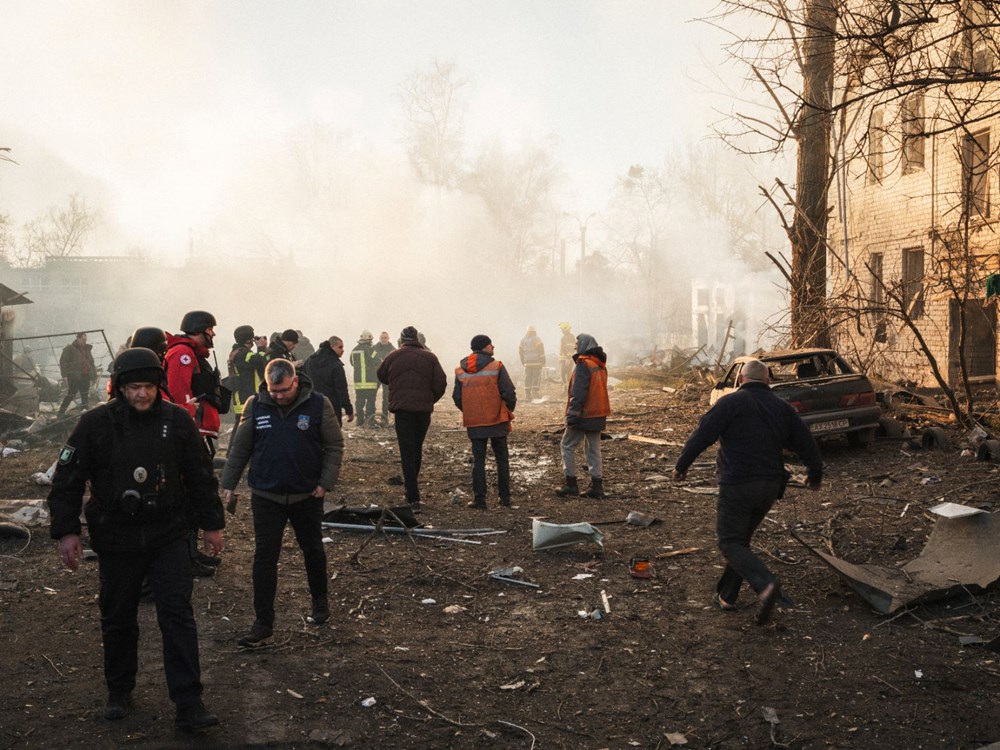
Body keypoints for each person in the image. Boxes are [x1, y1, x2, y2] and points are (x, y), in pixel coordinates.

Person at [48, 347, 224, 731]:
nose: (141, 394)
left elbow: (200, 476)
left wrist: (212, 524)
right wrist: (67, 531)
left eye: (147, 386)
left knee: (177, 616)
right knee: (118, 617)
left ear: (158, 385)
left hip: (168, 533)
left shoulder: (177, 421)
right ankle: (119, 690)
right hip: (116, 537)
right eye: (133, 388)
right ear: (120, 388)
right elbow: (67, 480)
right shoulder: (95, 424)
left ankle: (189, 703)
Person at [672, 358, 823, 624]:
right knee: (740, 541)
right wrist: (815, 473)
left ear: (740, 379)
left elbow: (703, 434)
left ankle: (766, 585)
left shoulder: (729, 403)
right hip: (770, 486)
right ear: (767, 380)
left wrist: (681, 466)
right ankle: (727, 596)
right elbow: (805, 441)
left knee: (730, 542)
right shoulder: (782, 407)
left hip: (738, 483)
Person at [221, 359, 344, 648]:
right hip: (266, 495)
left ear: (295, 381)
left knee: (312, 550)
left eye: (284, 390)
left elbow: (334, 445)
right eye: (273, 391)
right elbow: (241, 447)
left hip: (307, 495)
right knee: (264, 557)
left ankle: (320, 603)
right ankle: (263, 623)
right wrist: (228, 484)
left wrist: (325, 482)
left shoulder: (319, 404)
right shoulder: (255, 405)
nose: (278, 396)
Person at [376, 326, 447, 509]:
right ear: (417, 339)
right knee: (416, 447)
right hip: (423, 411)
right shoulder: (430, 357)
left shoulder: (393, 356)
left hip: (403, 411)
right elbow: (441, 382)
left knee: (407, 451)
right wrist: (429, 399)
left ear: (401, 339)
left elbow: (381, 375)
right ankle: (411, 489)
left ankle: (412, 496)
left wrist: (397, 385)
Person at [452, 335, 516, 509]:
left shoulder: (460, 370)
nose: (493, 346)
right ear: (484, 347)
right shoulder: (497, 366)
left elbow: (457, 397)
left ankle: (479, 500)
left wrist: (470, 410)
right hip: (497, 419)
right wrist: (507, 409)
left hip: (475, 421)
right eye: (490, 344)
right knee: (502, 459)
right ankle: (505, 498)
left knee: (478, 461)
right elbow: (509, 392)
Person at [556, 333, 611, 499]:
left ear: (584, 345)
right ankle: (597, 485)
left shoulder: (583, 364)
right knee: (594, 449)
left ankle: (571, 484)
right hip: (598, 413)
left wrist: (572, 416)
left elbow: (578, 392)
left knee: (566, 445)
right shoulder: (600, 364)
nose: (574, 346)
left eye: (577, 343)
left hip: (584, 414)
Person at [164, 311, 224, 451]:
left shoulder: (191, 352)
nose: (213, 334)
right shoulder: (183, 352)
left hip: (196, 427)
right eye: (210, 329)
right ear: (198, 330)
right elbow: (179, 390)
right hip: (190, 427)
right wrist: (187, 417)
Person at [303, 335, 355, 425]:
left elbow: (304, 382)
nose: (343, 350)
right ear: (332, 346)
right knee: (332, 431)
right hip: (331, 406)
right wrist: (349, 410)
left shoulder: (310, 360)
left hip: (312, 404)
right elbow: (341, 389)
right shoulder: (336, 365)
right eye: (340, 347)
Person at [227, 325, 266, 420]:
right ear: (249, 339)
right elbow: (261, 361)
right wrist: (261, 348)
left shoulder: (237, 352)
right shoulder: (244, 354)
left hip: (243, 399)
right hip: (247, 400)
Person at [58, 332, 97, 416]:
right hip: (74, 376)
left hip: (85, 375)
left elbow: (91, 362)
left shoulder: (87, 349)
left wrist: (94, 375)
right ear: (78, 338)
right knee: (71, 394)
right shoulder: (70, 348)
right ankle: (61, 412)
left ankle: (85, 412)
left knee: (85, 394)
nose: (84, 341)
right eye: (83, 339)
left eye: (85, 340)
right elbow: (63, 362)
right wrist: (64, 375)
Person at [350, 330, 379, 427]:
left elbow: (352, 362)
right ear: (369, 340)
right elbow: (377, 361)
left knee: (359, 402)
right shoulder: (371, 350)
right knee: (370, 401)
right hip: (370, 381)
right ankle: (370, 421)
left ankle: (360, 421)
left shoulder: (354, 350)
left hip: (359, 382)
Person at [373, 330, 396, 426]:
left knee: (386, 398)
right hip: (376, 375)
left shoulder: (392, 350)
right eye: (382, 338)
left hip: (387, 376)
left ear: (388, 338)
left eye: (385, 338)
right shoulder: (374, 349)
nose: (383, 339)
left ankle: (384, 418)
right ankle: (371, 418)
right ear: (379, 338)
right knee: (372, 396)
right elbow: (371, 359)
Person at [518, 325, 546, 400]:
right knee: (536, 377)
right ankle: (535, 393)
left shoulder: (523, 340)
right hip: (537, 362)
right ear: (534, 331)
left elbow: (520, 352)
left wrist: (523, 362)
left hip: (527, 363)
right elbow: (541, 351)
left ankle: (527, 394)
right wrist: (543, 361)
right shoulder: (537, 339)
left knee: (527, 378)